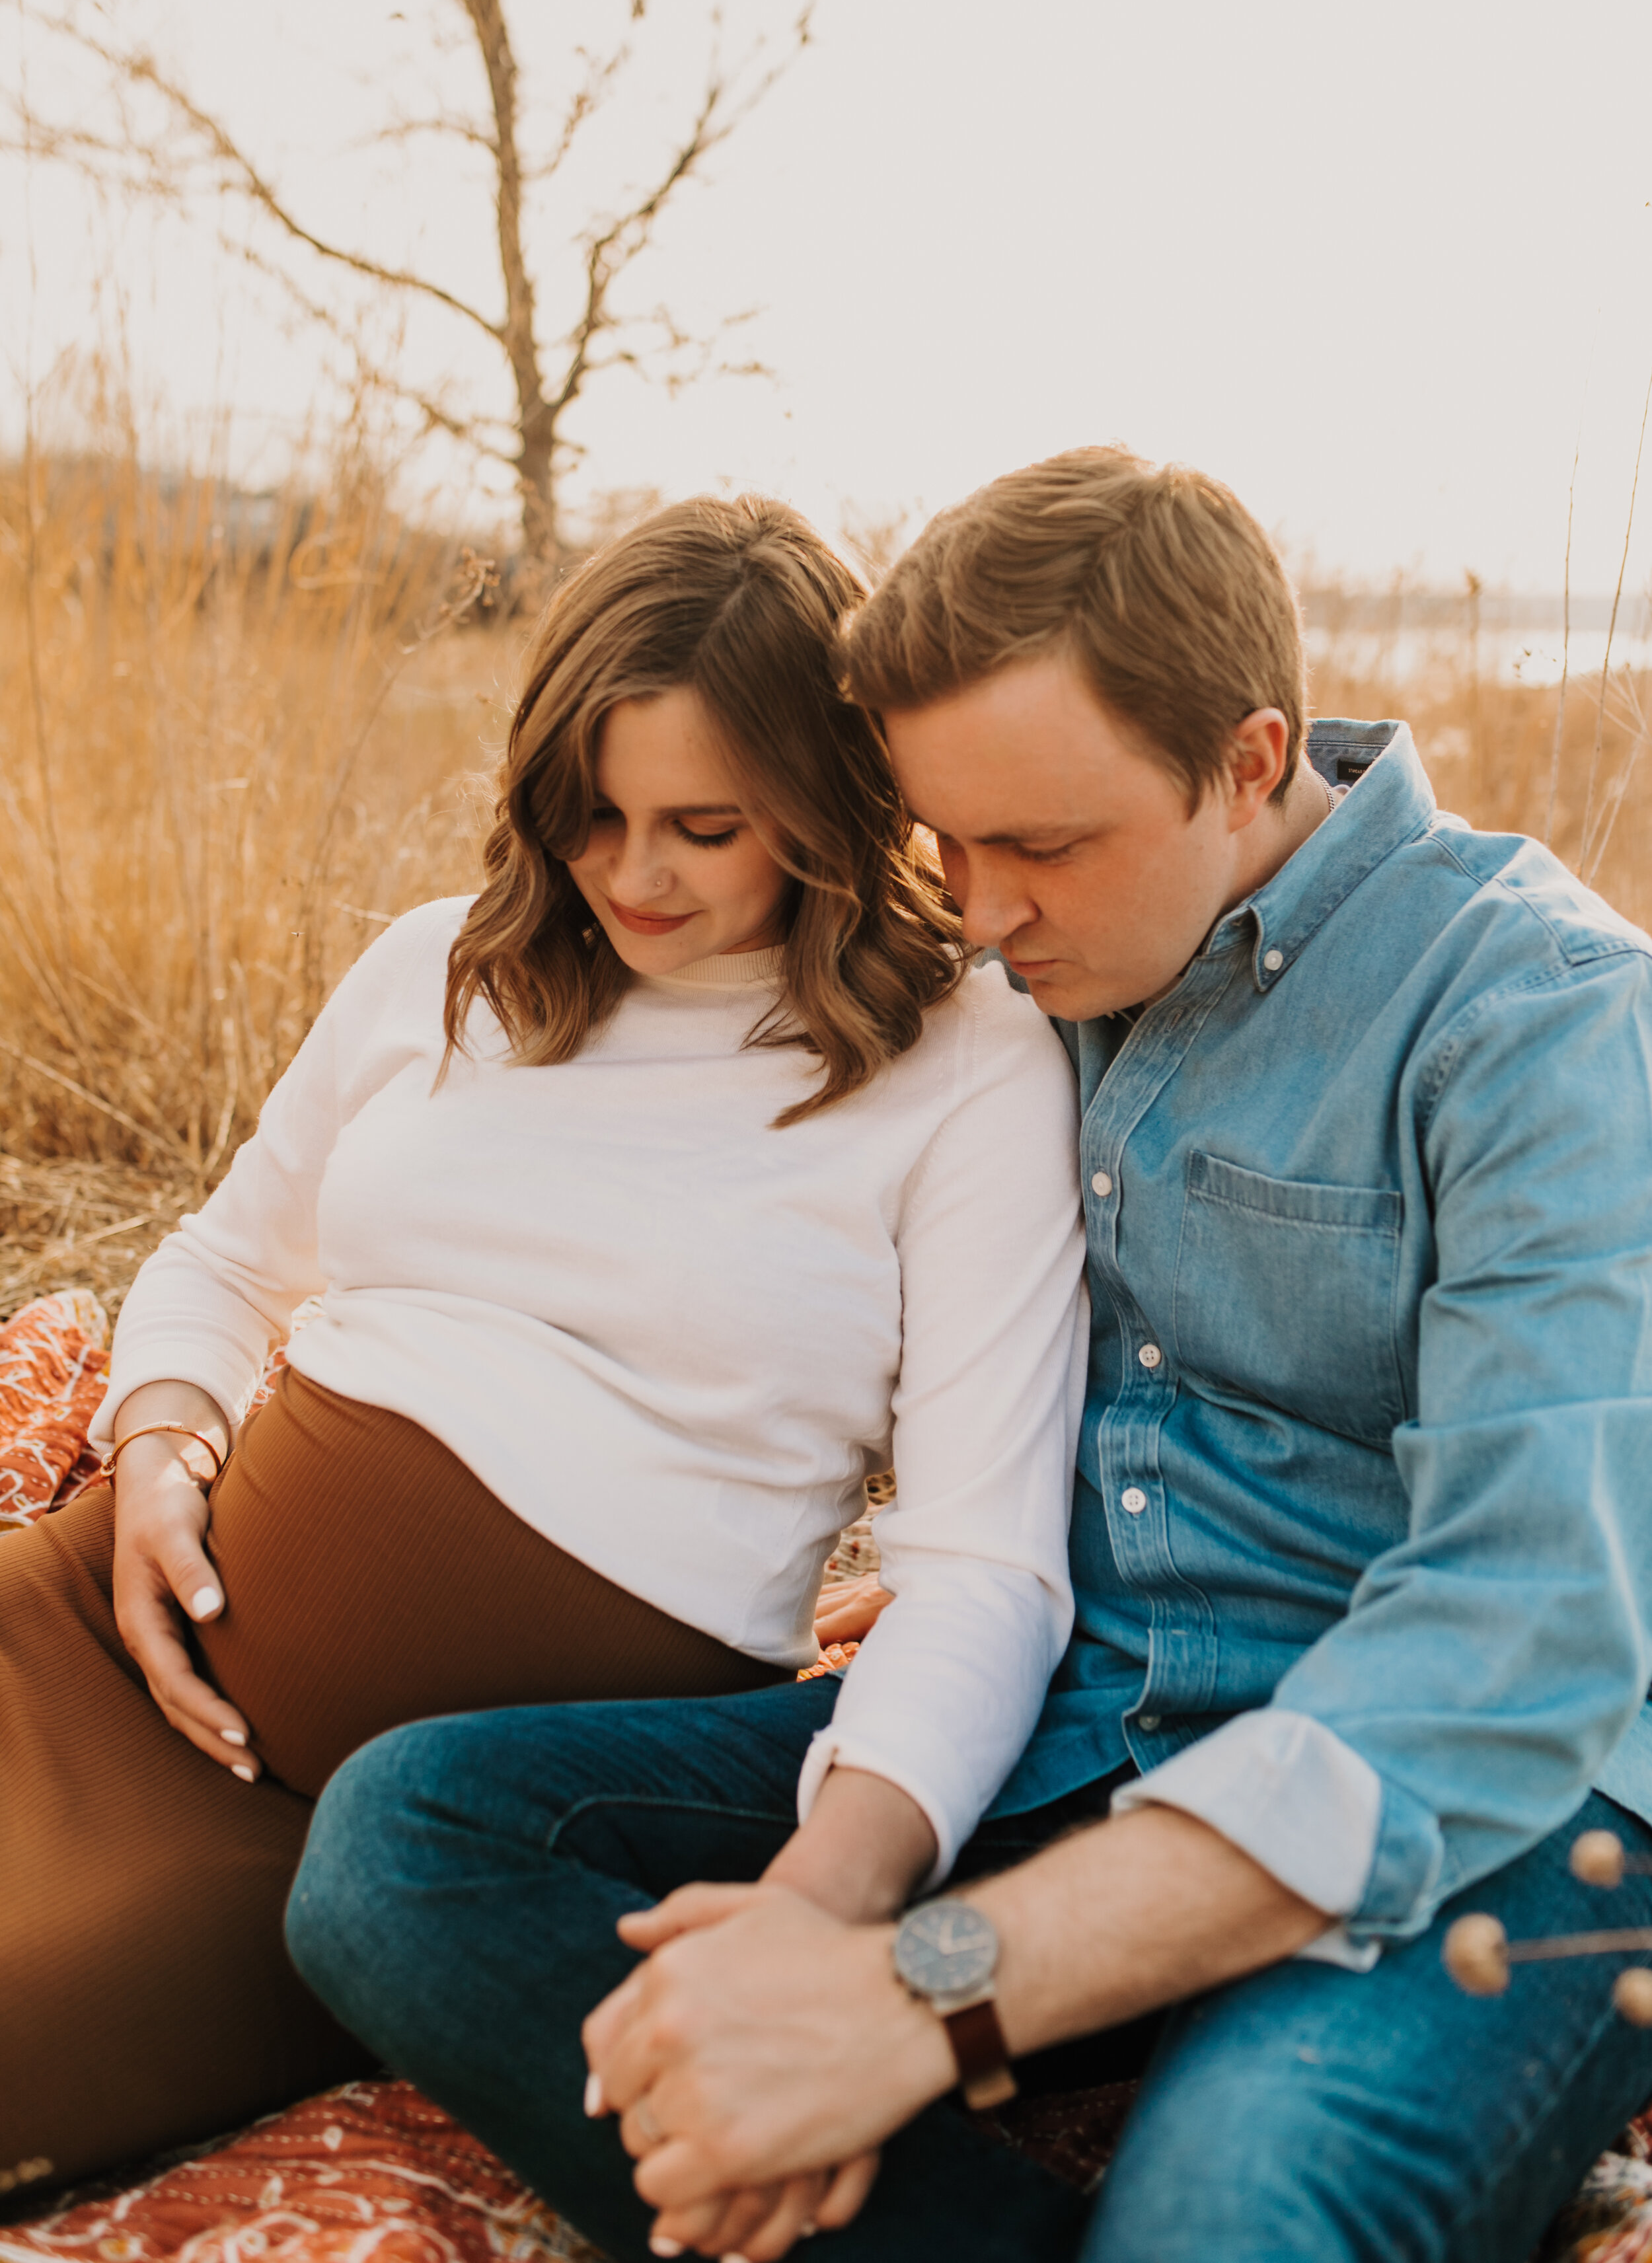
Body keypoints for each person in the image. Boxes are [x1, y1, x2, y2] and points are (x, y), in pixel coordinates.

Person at [287, 447, 1652, 2263]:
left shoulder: (1545, 1023)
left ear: (1249, 763)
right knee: (409, 1844)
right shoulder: (1033, 977)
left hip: (1463, 1804)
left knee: (1235, 2209)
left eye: (1038, 846)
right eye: (942, 842)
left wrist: (919, 1987)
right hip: (1083, 1725)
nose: (979, 917)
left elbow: (1517, 1635)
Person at [0, 494, 1089, 2199]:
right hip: (92, 1638)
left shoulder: (964, 1062)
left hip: (400, 1824)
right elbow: (222, 1261)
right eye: (586, 815)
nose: (631, 875)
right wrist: (155, 1452)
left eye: (703, 827)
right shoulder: (441, 971)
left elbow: (983, 1564)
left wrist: (846, 1880)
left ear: (822, 794)